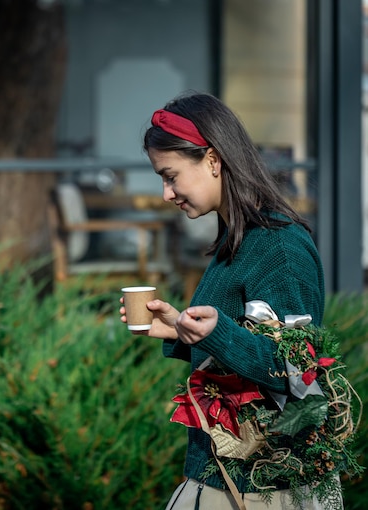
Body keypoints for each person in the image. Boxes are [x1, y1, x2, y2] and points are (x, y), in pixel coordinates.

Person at [119, 92, 340, 509]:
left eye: (170, 175)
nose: (167, 193)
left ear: (214, 160)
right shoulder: (238, 241)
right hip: (228, 477)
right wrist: (180, 330)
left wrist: (217, 333)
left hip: (267, 487)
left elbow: (298, 370)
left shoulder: (278, 247)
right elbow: (241, 345)